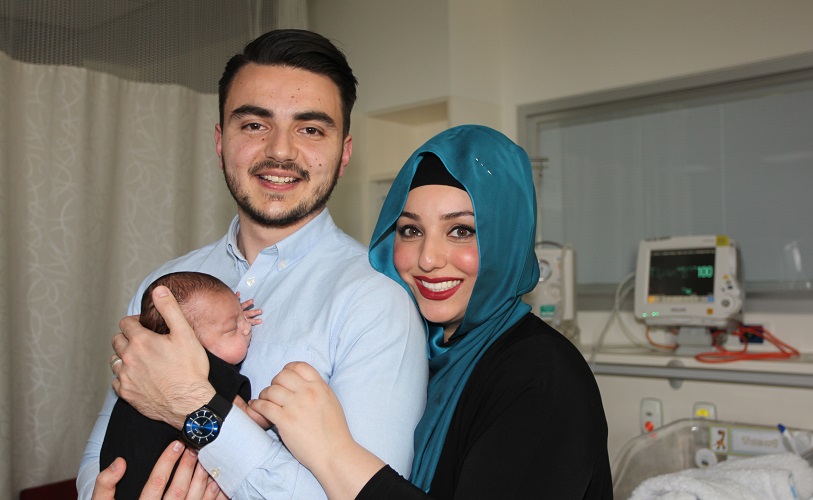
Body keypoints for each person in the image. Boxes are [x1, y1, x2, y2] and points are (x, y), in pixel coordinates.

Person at [77, 29, 428, 499]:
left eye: (310, 129)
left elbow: (366, 493)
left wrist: (191, 405)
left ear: (343, 153)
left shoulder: (377, 302)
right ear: (221, 141)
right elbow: (101, 458)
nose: (280, 151)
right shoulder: (166, 287)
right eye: (254, 125)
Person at [252, 124, 614, 499]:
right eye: (410, 230)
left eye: (461, 231)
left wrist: (331, 451)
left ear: (507, 238)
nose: (427, 258)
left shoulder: (541, 374)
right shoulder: (420, 351)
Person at [99, 271, 264, 499]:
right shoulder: (205, 367)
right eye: (231, 328)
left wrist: (230, 316)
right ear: (190, 343)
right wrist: (274, 408)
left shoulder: (148, 362)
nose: (246, 328)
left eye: (243, 316)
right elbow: (248, 419)